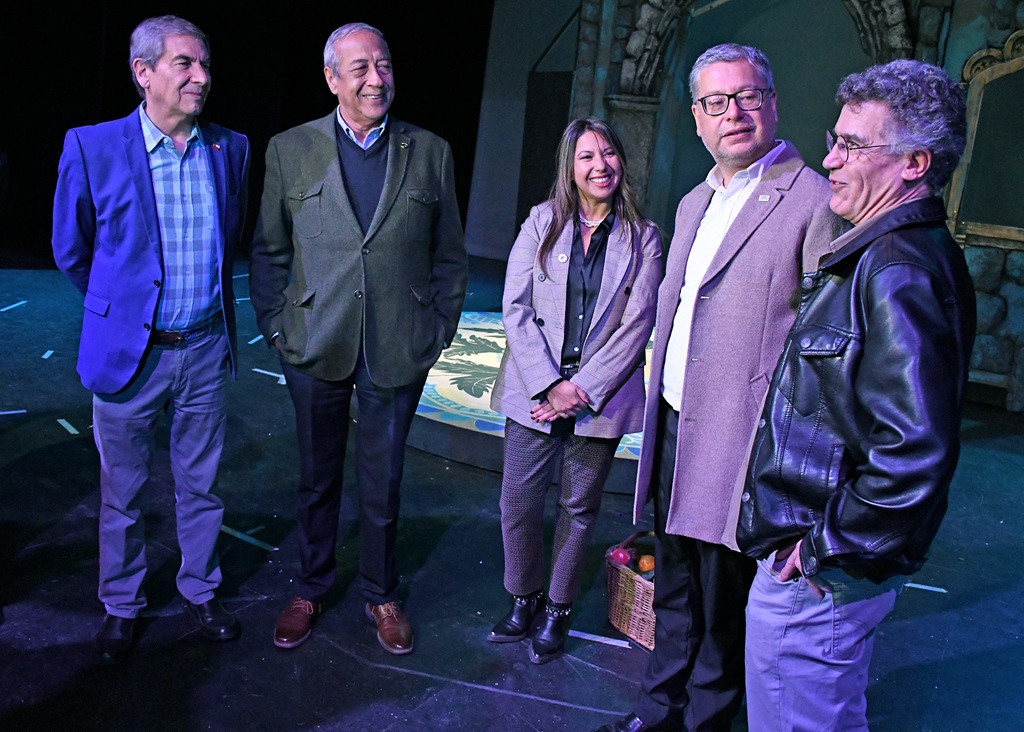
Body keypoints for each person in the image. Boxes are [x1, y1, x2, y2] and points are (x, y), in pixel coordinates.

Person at [598, 44, 846, 732]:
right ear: (697, 118)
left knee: (720, 605)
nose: (733, 112)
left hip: (740, 443)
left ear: (773, 103)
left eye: (747, 96)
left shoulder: (813, 200)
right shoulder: (694, 201)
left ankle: (705, 722)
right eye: (716, 101)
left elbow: (824, 349)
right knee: (672, 587)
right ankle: (658, 713)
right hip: (675, 426)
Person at [736, 59, 975, 731]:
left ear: (914, 163)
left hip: (821, 578)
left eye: (851, 145)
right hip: (829, 568)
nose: (830, 160)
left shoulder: (898, 269)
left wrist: (819, 550)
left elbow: (915, 453)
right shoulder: (893, 253)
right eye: (833, 140)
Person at [249, 22, 467, 655]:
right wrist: (276, 325)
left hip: (397, 344)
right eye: (361, 68)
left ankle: (381, 592)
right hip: (313, 342)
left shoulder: (430, 151)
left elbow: (449, 256)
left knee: (384, 481)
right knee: (317, 480)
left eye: (385, 65)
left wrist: (438, 328)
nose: (377, 79)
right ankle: (311, 586)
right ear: (331, 79)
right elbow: (269, 249)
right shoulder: (290, 148)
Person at [52, 15, 249, 663]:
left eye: (205, 64)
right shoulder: (92, 147)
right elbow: (72, 250)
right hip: (129, 355)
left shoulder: (230, 149)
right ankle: (122, 604)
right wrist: (119, 312)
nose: (202, 77)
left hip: (204, 349)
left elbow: (232, 239)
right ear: (143, 72)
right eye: (185, 63)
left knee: (202, 485)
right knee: (124, 492)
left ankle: (200, 590)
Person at [488, 118, 661, 664]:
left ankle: (558, 608)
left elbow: (638, 324)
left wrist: (579, 389)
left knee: (578, 507)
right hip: (535, 392)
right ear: (570, 167)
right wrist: (549, 383)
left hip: (598, 398)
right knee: (517, 502)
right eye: (587, 156)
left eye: (608, 153)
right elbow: (515, 307)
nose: (600, 165)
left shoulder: (644, 237)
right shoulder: (542, 222)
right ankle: (523, 597)